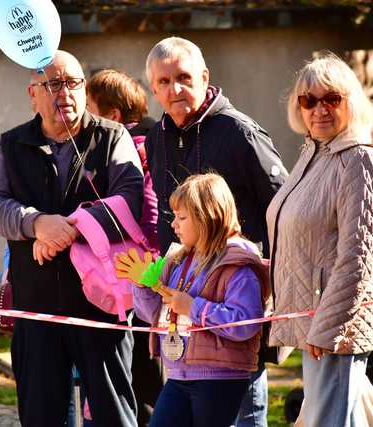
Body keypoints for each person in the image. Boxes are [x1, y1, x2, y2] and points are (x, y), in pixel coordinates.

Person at [0, 50, 143, 426]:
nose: (64, 92)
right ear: (33, 94)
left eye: (73, 83)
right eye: (53, 84)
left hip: (101, 306)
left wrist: (68, 228)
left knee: (114, 415)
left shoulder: (112, 136)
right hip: (35, 305)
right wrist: (36, 223)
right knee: (40, 416)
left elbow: (130, 198)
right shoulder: (11, 144)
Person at [144, 36, 287, 426]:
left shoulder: (239, 132)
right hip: (185, 320)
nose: (175, 89)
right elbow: (165, 215)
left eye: (184, 77)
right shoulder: (157, 136)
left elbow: (281, 210)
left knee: (243, 416)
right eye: (164, 81)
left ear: (204, 77)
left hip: (235, 303)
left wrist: (267, 284)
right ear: (153, 88)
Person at [266, 53, 373, 426]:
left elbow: (359, 256)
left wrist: (328, 327)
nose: (319, 110)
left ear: (351, 101)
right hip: (315, 318)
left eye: (332, 99)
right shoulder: (316, 152)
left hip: (335, 324)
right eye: (309, 100)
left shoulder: (361, 160)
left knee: (327, 420)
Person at [127, 173, 270, 427]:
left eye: (182, 218)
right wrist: (143, 286)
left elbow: (246, 323)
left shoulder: (238, 264)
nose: (174, 226)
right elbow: (152, 315)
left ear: (207, 218)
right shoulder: (177, 260)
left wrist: (193, 307)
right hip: (177, 376)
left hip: (221, 379)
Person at [86, 68, 161, 426]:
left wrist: (145, 258)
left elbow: (146, 211)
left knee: (140, 373)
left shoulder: (132, 150)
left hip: (139, 270)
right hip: (146, 269)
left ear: (112, 116)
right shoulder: (151, 142)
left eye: (90, 108)